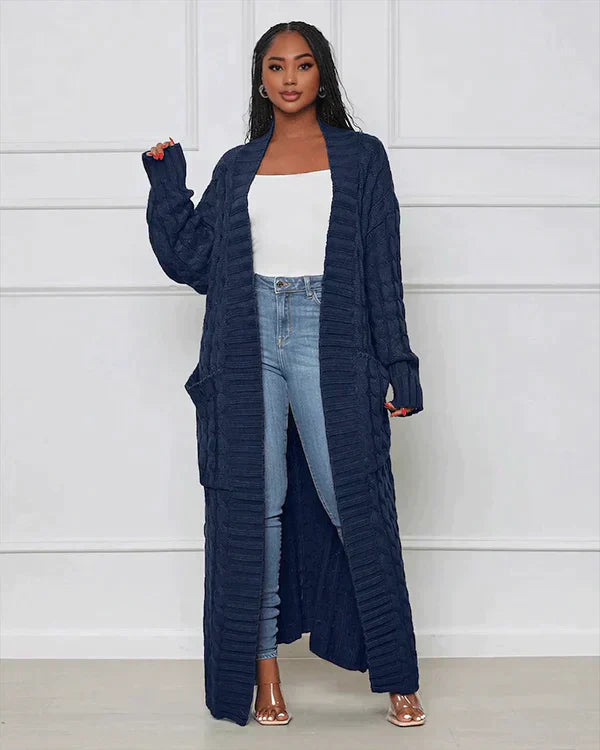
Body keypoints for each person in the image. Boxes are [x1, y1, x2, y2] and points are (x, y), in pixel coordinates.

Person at [143, 21, 426, 729]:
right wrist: (168, 185)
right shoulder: (239, 166)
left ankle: (397, 674)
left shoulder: (361, 157)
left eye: (302, 65)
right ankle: (265, 675)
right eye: (276, 66)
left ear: (320, 75)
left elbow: (382, 267)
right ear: (261, 79)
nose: (290, 78)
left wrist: (399, 363)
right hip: (246, 340)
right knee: (255, 509)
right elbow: (195, 261)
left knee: (354, 501)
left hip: (329, 333)